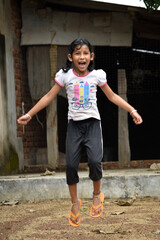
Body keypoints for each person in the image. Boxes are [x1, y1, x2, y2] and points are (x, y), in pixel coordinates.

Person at [17, 38, 143, 227]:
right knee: (70, 166)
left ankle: (96, 195)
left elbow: (112, 96)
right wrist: (29, 114)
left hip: (92, 124)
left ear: (91, 56)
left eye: (85, 53)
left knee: (94, 161)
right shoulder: (65, 76)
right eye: (77, 53)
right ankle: (75, 204)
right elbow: (49, 96)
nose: (82, 57)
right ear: (70, 57)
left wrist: (132, 110)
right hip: (74, 126)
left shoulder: (97, 76)